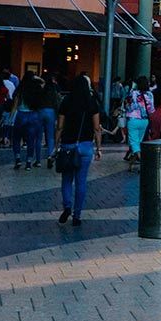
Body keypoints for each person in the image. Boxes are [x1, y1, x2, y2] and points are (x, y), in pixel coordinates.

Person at [55, 75, 102, 226]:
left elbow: (60, 126)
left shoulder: (66, 101)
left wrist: (55, 145)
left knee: (67, 179)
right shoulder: (91, 102)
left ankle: (67, 206)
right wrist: (99, 148)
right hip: (85, 146)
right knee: (81, 182)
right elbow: (96, 128)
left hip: (68, 145)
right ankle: (77, 214)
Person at [11, 75, 52, 169]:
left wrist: (10, 119)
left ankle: (17, 158)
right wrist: (37, 78)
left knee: (17, 138)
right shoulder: (36, 90)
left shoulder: (20, 91)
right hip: (33, 115)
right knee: (31, 140)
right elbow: (43, 83)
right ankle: (29, 161)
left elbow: (14, 106)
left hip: (21, 114)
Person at [124, 76, 155, 163]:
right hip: (144, 120)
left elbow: (128, 106)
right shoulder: (150, 94)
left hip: (133, 119)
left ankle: (142, 161)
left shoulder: (132, 93)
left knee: (134, 142)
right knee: (138, 141)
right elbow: (151, 109)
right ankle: (132, 163)